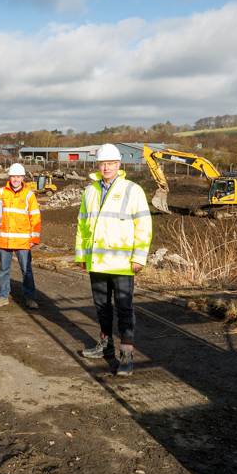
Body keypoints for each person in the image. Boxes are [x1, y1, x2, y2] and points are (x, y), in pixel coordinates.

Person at [74, 144, 152, 376]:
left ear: (119, 165)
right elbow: (82, 226)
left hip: (123, 264)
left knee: (124, 308)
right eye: (102, 163)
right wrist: (81, 255)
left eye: (111, 163)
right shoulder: (90, 191)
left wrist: (139, 257)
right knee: (101, 307)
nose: (106, 167)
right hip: (97, 262)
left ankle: (126, 353)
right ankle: (105, 344)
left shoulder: (133, 190)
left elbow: (144, 225)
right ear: (98, 165)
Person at [0, 162, 41, 309]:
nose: (16, 179)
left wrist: (34, 238)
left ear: (23, 177)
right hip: (4, 239)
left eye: (18, 176)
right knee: (4, 270)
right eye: (13, 176)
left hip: (23, 241)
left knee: (27, 270)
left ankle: (30, 298)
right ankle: (3, 297)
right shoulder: (1, 193)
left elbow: (35, 217)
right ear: (9, 177)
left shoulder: (29, 195)